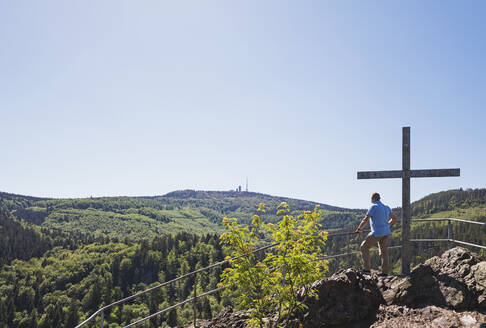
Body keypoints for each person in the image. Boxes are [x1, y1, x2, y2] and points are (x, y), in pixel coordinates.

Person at [355, 192, 398, 276]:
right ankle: (385, 273)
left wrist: (359, 229)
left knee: (364, 246)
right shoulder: (387, 207)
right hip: (386, 232)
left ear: (373, 199)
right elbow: (394, 219)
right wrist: (387, 225)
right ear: (379, 198)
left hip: (377, 232)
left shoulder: (373, 206)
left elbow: (365, 219)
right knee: (384, 252)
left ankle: (367, 270)